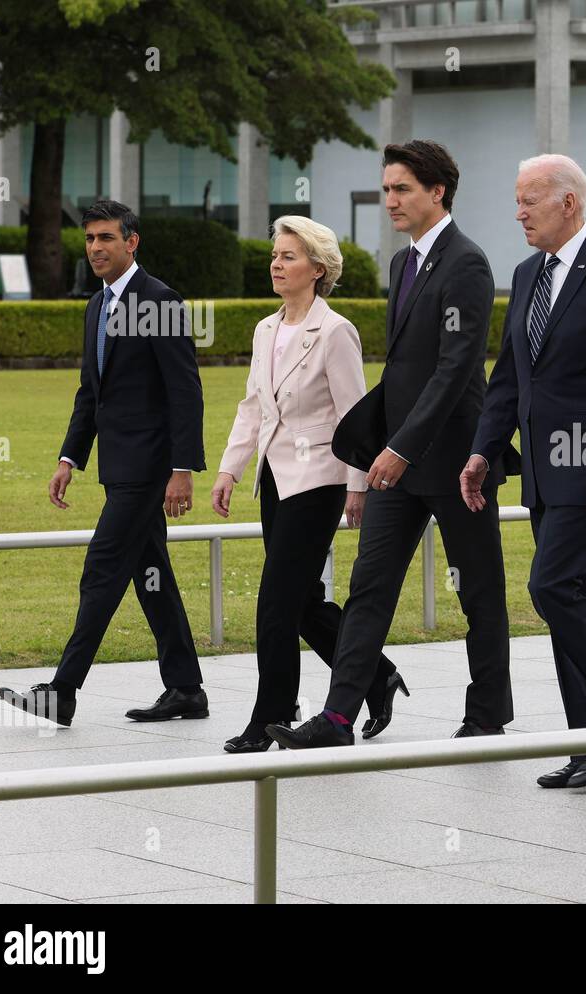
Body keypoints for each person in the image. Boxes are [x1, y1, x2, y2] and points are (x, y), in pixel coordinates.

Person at [268, 140, 512, 750]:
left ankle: (487, 711)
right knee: (369, 586)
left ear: (438, 192)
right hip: (396, 464)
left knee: (478, 588)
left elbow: (455, 370)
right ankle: (339, 717)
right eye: (387, 189)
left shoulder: (469, 264)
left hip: (458, 462)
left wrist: (400, 447)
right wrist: (384, 446)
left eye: (402, 189)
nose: (391, 201)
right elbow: (403, 368)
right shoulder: (403, 264)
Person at [464, 154, 586, 789]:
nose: (517, 212)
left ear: (568, 203)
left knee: (550, 588)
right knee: (571, 597)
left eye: (529, 200)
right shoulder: (526, 275)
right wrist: (483, 451)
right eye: (517, 200)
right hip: (545, 478)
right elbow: (510, 377)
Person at [0, 199, 207, 727]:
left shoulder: (159, 301)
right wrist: (70, 457)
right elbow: (91, 391)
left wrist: (182, 470)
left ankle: (62, 691)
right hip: (117, 465)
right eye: (90, 239)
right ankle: (186, 689)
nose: (96, 247)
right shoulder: (97, 305)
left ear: (131, 242)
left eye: (106, 238)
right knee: (151, 573)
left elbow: (185, 392)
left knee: (102, 569)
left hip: (147, 470)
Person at [211, 216, 394, 753]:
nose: (277, 263)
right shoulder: (266, 329)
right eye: (276, 254)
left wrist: (358, 486)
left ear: (318, 269)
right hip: (274, 478)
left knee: (275, 603)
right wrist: (230, 468)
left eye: (289, 256)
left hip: (319, 481)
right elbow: (252, 407)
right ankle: (377, 675)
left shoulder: (335, 331)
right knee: (303, 600)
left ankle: (268, 715)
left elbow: (356, 414)